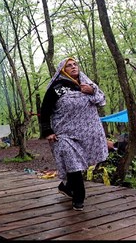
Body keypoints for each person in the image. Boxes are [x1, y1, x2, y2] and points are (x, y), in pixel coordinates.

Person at [40, 57, 108, 211]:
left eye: (74, 64)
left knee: (79, 163)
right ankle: (79, 198)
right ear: (62, 70)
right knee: (73, 163)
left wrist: (93, 91)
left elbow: (101, 100)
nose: (73, 67)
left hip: (86, 134)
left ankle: (67, 186)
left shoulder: (87, 85)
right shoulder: (57, 88)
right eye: (68, 66)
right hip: (64, 133)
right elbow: (45, 110)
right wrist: (47, 131)